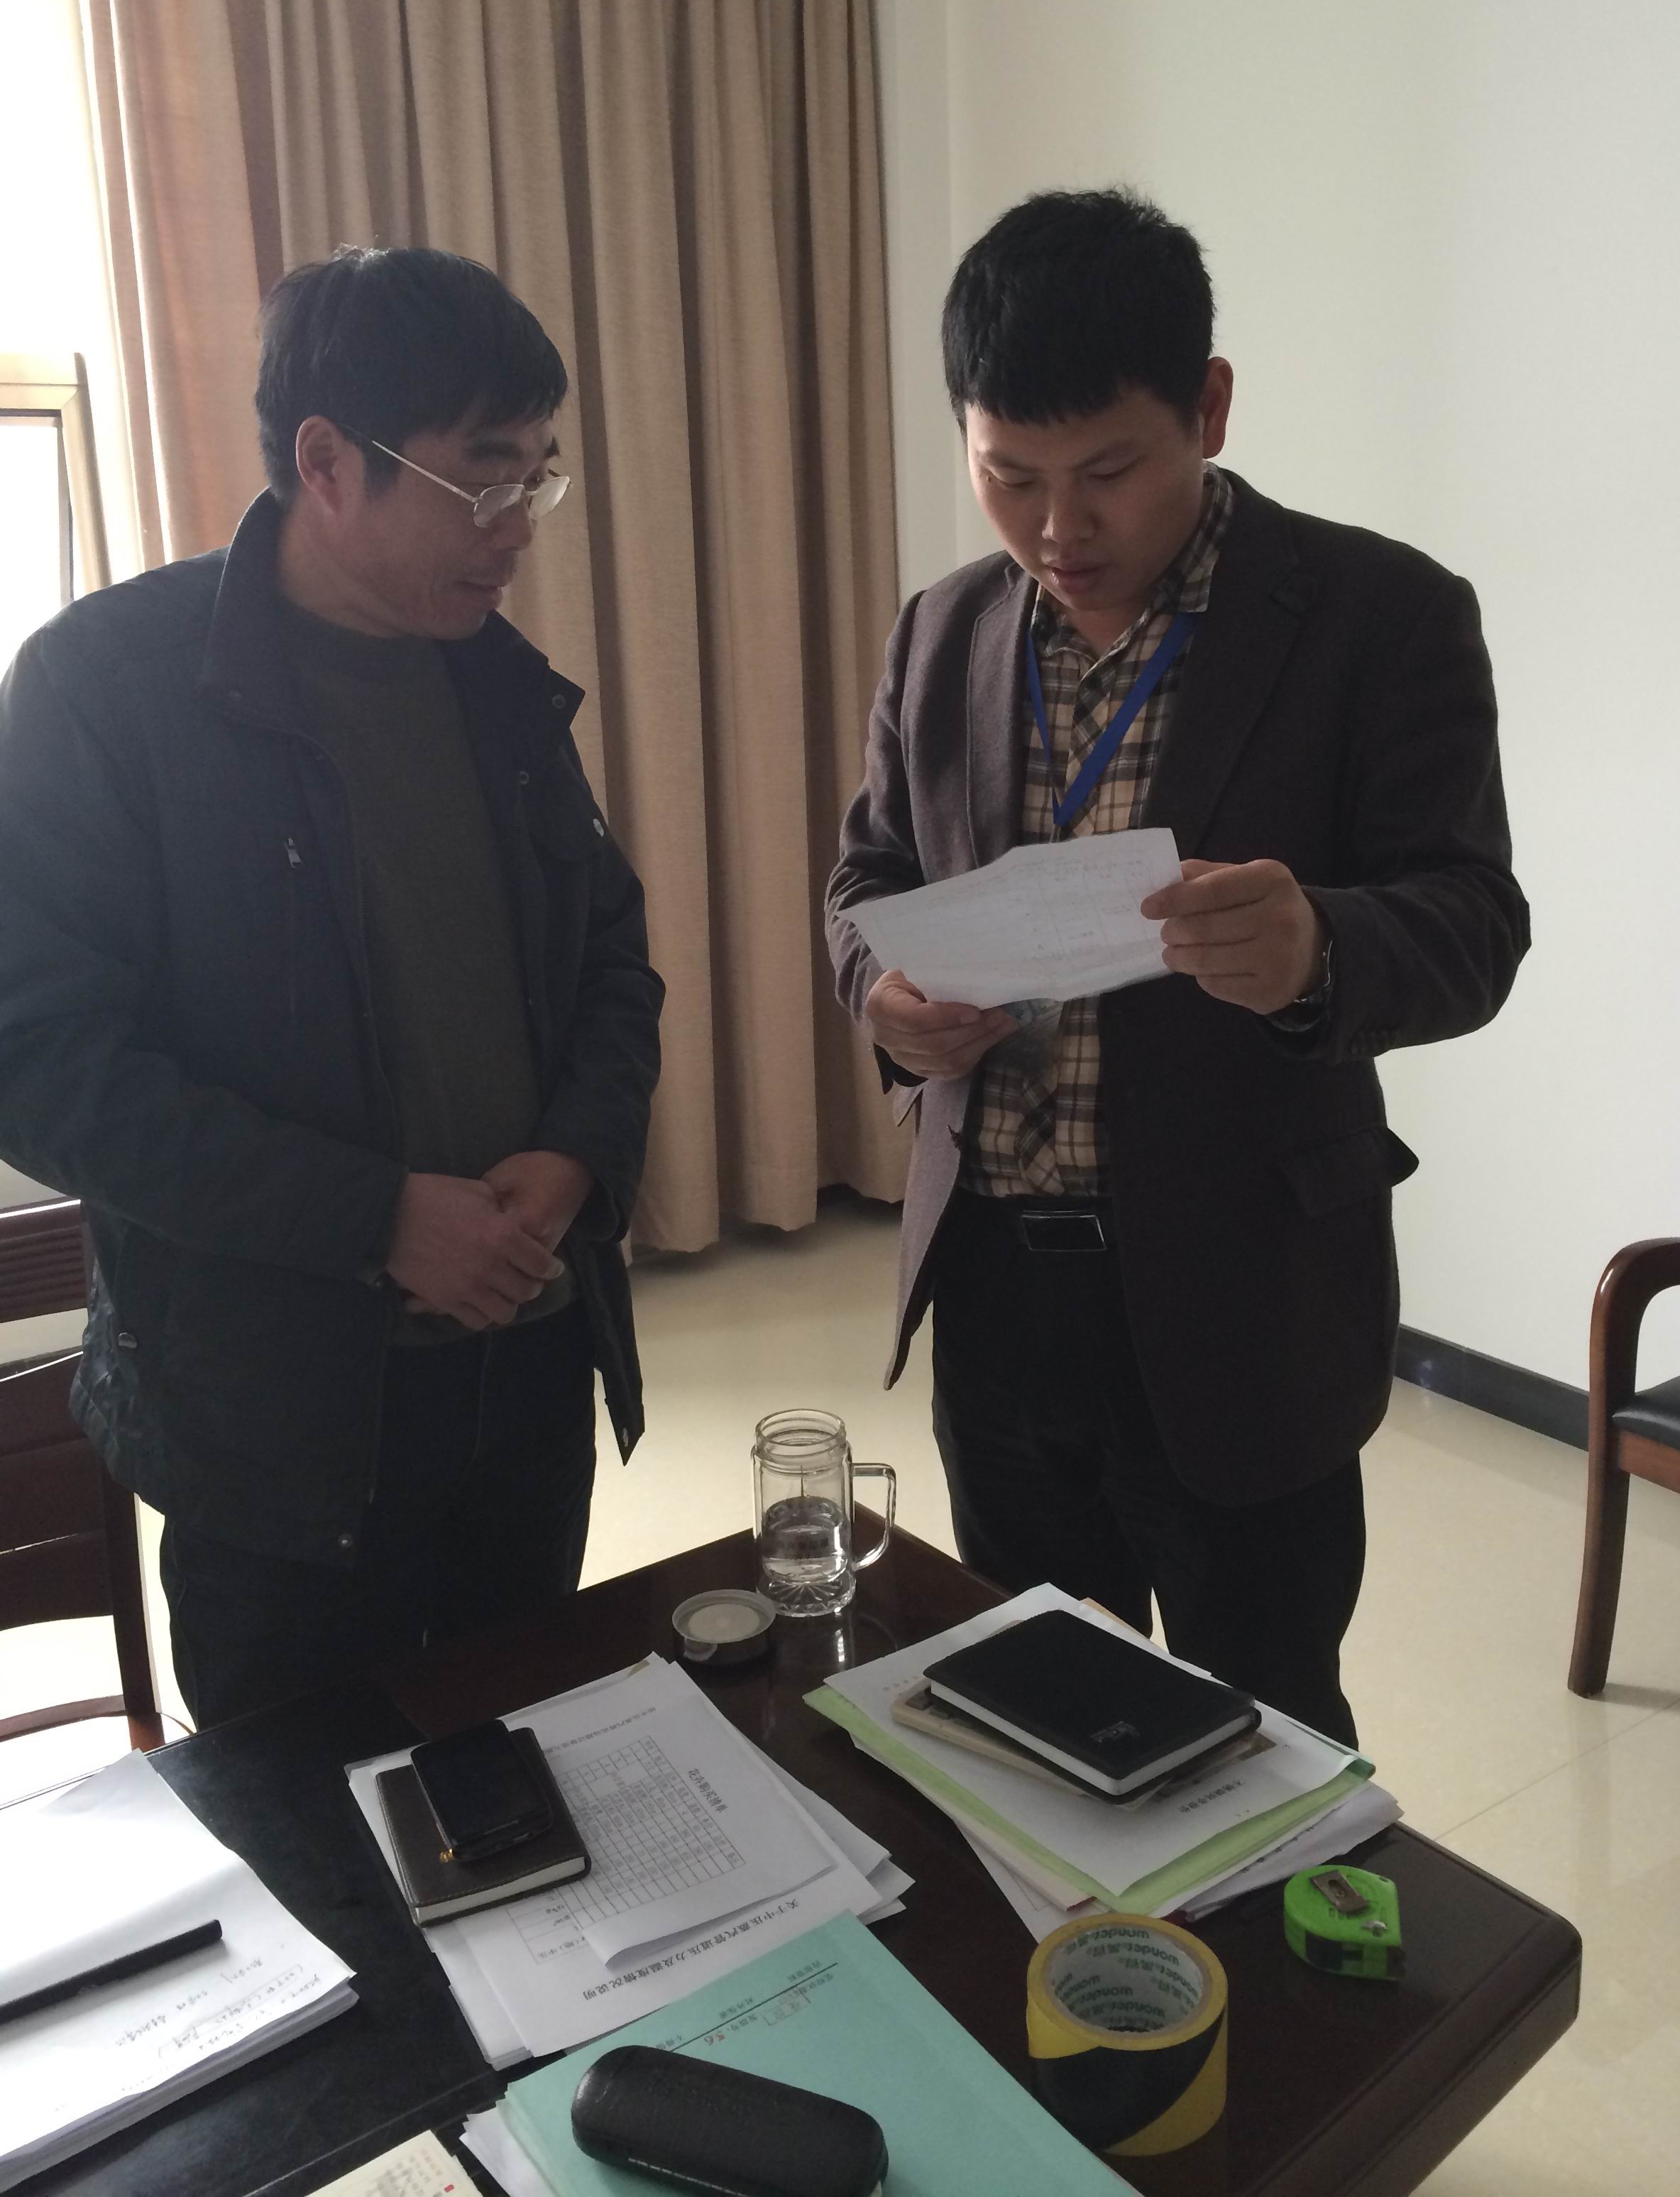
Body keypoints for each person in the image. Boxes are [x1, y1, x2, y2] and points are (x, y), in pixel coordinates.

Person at [826, 190, 1528, 1742]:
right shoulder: (943, 631)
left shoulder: (1379, 616)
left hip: (1241, 1297)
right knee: (1032, 1718)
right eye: (1009, 477)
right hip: (998, 1287)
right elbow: (867, 879)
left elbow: (1477, 922)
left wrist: (1318, 946)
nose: (1057, 532)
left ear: (1208, 409)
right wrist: (882, 995)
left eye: (1109, 473)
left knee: (1265, 1735)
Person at [0, 246, 664, 1726]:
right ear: (326, 462)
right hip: (272, 1422)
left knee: (517, 1773)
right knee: (304, 1820)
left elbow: (613, 961)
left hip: (522, 1374)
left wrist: (578, 1152)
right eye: (482, 481)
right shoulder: (106, 692)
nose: (518, 528)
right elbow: (39, 1063)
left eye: (537, 478)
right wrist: (376, 1218)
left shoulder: (496, 683)